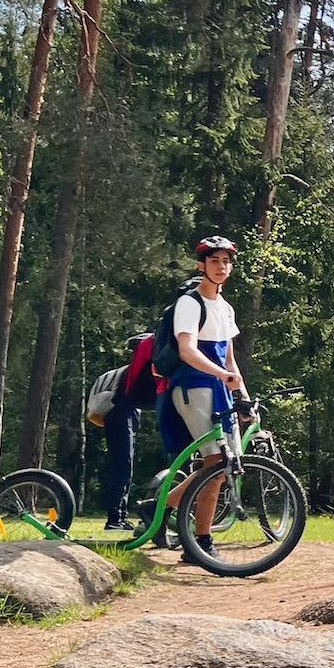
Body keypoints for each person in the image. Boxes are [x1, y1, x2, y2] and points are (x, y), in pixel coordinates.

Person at [161, 236, 249, 560]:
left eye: (226, 262)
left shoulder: (226, 309)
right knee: (215, 462)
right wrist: (221, 376)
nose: (221, 267)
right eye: (214, 261)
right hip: (193, 387)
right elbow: (187, 350)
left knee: (224, 464)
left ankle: (162, 509)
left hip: (220, 388)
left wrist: (243, 399)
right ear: (202, 266)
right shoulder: (189, 303)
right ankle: (200, 541)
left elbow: (230, 360)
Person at [101, 333, 159, 531]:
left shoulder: (133, 371)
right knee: (123, 466)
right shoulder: (134, 372)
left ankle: (119, 516)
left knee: (124, 466)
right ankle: (115, 518)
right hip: (120, 414)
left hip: (123, 413)